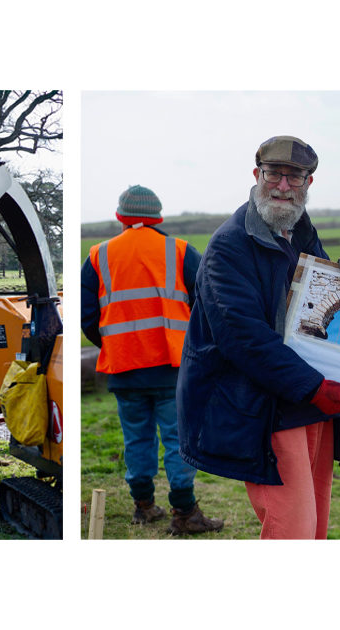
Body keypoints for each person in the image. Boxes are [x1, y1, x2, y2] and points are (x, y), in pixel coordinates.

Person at [177, 135, 340, 539]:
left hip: (309, 398)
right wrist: (314, 386)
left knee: (314, 522)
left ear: (308, 184)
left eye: (294, 178)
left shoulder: (298, 230)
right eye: (274, 175)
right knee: (292, 529)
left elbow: (309, 301)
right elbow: (243, 338)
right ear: (256, 175)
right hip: (265, 403)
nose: (283, 186)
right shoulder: (229, 247)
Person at [83, 184, 225, 535]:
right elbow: (206, 305)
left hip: (124, 369)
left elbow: (86, 316)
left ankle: (143, 507)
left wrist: (113, 345)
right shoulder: (179, 251)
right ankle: (184, 513)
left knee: (136, 439)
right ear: (159, 217)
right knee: (178, 439)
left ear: (119, 217)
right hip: (172, 368)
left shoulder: (98, 255)